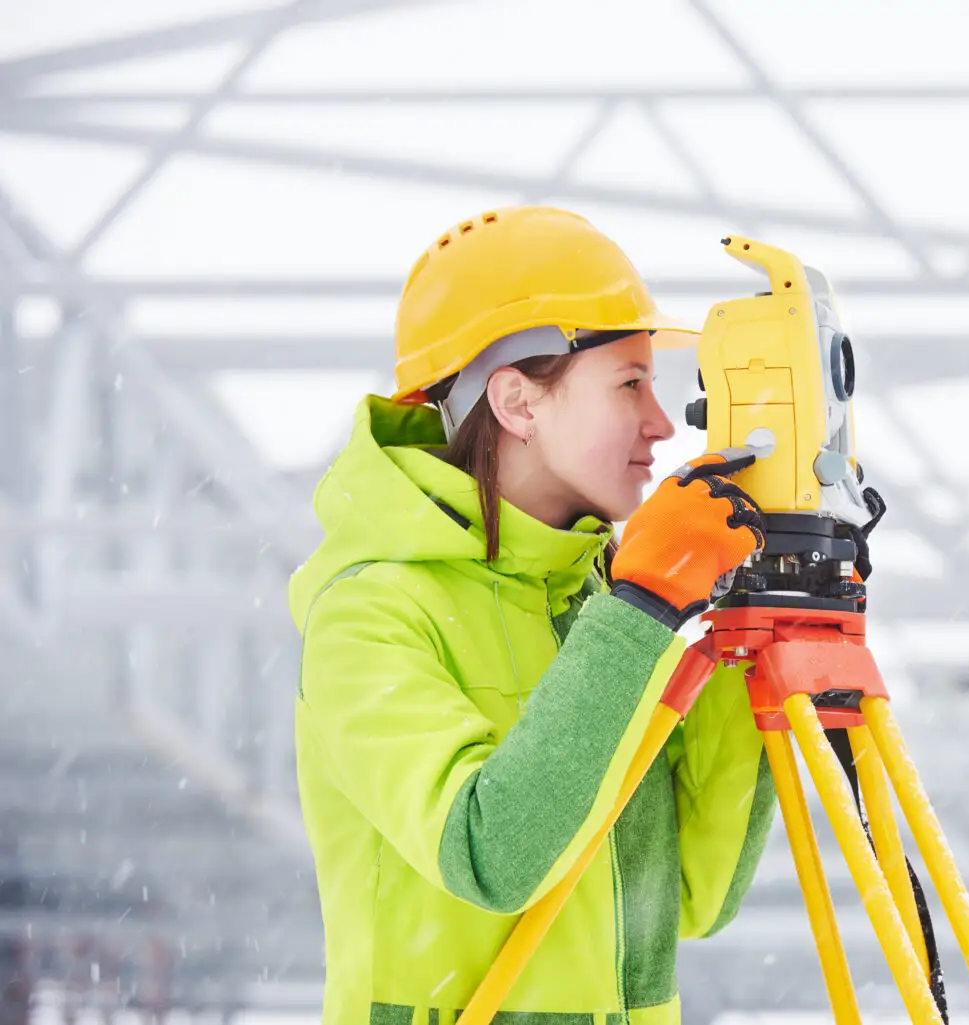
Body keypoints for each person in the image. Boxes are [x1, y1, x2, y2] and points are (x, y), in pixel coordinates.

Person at [289, 206, 777, 1025]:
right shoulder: (370, 613)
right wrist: (645, 604)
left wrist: (752, 633)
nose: (663, 423)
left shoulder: (598, 605)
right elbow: (492, 856)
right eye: (630, 383)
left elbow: (697, 894)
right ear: (517, 401)